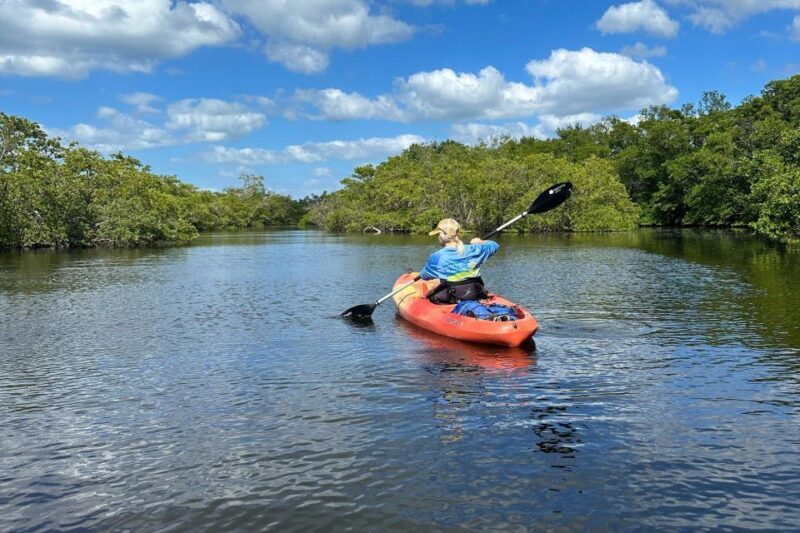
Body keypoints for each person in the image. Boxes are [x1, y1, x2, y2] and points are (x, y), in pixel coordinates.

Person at [420, 218, 499, 304]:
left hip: (452, 298)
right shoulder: (475, 249)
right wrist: (480, 242)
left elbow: (424, 276)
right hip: (476, 294)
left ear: (440, 236)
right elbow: (494, 245)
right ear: (457, 233)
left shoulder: (436, 257)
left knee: (432, 290)